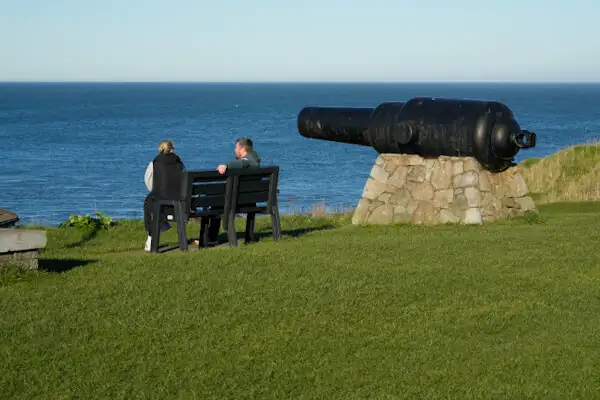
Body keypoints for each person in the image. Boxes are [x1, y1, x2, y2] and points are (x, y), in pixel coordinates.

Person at [206, 137, 261, 245]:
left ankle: (211, 239)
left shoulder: (248, 161)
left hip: (240, 200)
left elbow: (243, 163)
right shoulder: (256, 162)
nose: (234, 150)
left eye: (236, 148)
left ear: (242, 149)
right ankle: (249, 237)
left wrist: (226, 165)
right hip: (251, 199)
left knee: (215, 204)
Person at [143, 139, 185, 251]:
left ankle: (151, 238)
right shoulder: (179, 163)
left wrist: (155, 190)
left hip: (160, 202)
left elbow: (148, 180)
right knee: (152, 202)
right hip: (178, 204)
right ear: (172, 149)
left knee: (148, 203)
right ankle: (163, 224)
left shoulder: (155, 163)